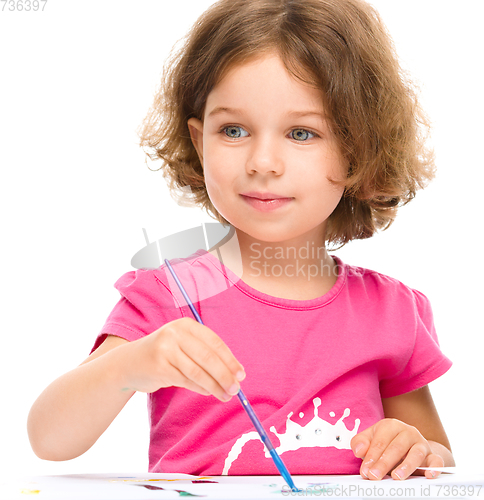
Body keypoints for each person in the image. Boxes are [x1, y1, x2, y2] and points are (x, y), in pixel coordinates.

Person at [27, 0, 454, 480]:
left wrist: (416, 449)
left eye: (301, 132)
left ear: (359, 148)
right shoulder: (169, 296)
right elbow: (49, 439)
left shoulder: (390, 311)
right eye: (233, 130)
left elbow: (437, 458)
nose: (263, 162)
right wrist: (129, 365)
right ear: (198, 140)